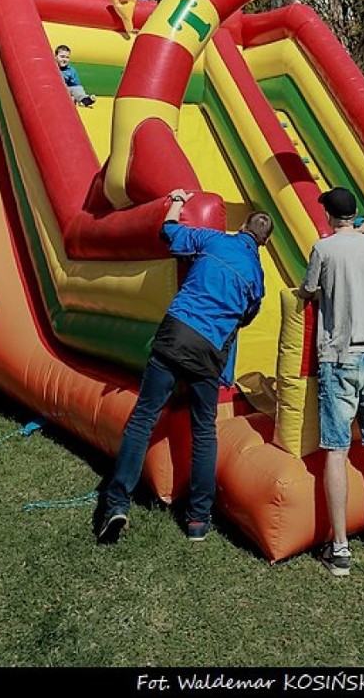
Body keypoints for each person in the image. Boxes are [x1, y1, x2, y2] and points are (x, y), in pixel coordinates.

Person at [97, 190, 271, 544]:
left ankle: (117, 503)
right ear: (264, 244)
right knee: (204, 431)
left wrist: (176, 200)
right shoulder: (256, 276)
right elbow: (248, 316)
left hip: (177, 334)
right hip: (208, 351)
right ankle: (198, 520)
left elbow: (170, 234)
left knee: (144, 418)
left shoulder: (214, 240)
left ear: (241, 227)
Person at [298, 185, 364, 576]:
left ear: (329, 214)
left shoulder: (323, 249)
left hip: (337, 356)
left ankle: (340, 547)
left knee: (336, 450)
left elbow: (309, 291)